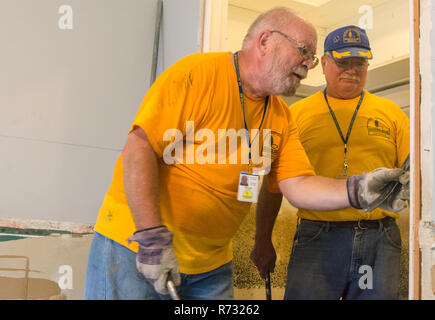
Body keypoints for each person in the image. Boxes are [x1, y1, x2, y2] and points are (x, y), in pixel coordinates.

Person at [84, 7, 408, 300]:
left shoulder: (281, 116)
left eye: (311, 56)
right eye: (305, 51)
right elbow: (139, 149)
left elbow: (299, 185)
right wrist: (151, 237)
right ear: (265, 40)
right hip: (136, 246)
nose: (310, 63)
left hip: (210, 264)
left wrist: (359, 189)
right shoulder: (196, 75)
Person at [250, 25, 410, 300]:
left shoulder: (392, 114)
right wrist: (262, 240)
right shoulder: (293, 115)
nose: (352, 69)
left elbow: (416, 177)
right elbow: (273, 185)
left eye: (359, 62)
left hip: (380, 240)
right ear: (323, 63)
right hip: (318, 237)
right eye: (342, 61)